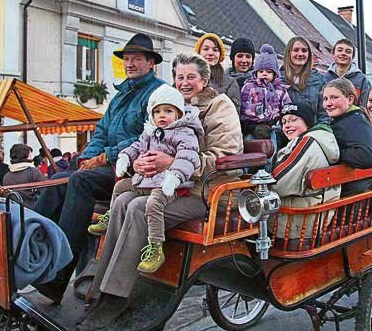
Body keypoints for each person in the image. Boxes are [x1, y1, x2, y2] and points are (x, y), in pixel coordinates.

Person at [76, 53, 243, 330]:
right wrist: (140, 162)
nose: (184, 82)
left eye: (191, 77)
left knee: (137, 208)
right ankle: (102, 286)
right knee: (123, 200)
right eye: (180, 77)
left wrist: (173, 163)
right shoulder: (168, 105)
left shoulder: (219, 106)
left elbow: (225, 158)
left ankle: (117, 298)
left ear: (204, 80)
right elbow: (146, 143)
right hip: (163, 184)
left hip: (204, 189)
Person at [32, 33, 165, 304]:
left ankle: (58, 278)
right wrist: (87, 158)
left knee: (79, 183)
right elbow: (101, 132)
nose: (130, 64)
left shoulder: (158, 93)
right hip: (106, 165)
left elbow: (148, 136)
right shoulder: (119, 97)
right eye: (127, 59)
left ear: (151, 63)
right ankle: (30, 248)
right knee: (59, 179)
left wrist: (105, 157)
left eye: (136, 59)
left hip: (132, 169)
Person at [87, 84, 203, 273]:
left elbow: (187, 157)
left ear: (179, 114)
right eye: (157, 112)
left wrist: (174, 176)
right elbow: (136, 147)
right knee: (120, 188)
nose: (162, 116)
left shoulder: (184, 133)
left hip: (169, 184)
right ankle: (109, 217)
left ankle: (156, 246)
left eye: (168, 111)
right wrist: (126, 158)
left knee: (153, 204)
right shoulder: (150, 132)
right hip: (148, 180)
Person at [271, 102, 340, 239]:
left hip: (299, 222)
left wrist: (257, 187)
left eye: (293, 119)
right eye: (284, 122)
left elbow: (279, 184)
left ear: (307, 121)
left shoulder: (307, 143)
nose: (287, 125)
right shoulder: (319, 140)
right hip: (312, 215)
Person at [323, 78, 372, 197]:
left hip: (351, 196)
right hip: (350, 190)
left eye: (334, 97)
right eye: (325, 99)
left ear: (350, 99)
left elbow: (368, 156)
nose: (328, 103)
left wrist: (333, 152)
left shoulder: (355, 121)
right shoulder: (347, 119)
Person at [239, 44, 291, 141]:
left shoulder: (280, 89)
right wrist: (247, 122)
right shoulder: (249, 86)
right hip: (252, 124)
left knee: (271, 146)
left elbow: (286, 107)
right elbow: (242, 105)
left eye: (268, 71)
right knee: (249, 145)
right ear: (255, 73)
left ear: (275, 74)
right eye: (261, 71)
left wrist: (279, 121)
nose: (264, 74)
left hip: (271, 125)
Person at [280, 36, 328, 124]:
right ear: (288, 53)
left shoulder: (319, 80)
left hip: (313, 132)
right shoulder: (278, 80)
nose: (300, 54)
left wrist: (321, 129)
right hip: (285, 132)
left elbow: (324, 111)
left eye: (304, 51)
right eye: (296, 50)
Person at [194, 33, 241, 111]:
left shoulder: (230, 83)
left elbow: (233, 114)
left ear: (220, 55)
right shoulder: (186, 78)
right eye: (206, 49)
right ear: (199, 52)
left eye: (215, 50)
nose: (210, 53)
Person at [323, 39, 371, 106]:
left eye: (348, 52)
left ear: (353, 57)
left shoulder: (362, 80)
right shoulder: (324, 78)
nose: (343, 53)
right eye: (340, 50)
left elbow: (365, 105)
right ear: (333, 54)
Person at [2, 144, 47, 208]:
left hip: (15, 212)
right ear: (24, 155)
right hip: (33, 212)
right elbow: (46, 192)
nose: (32, 157)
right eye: (30, 155)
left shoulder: (6, 176)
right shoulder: (33, 172)